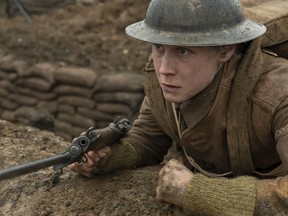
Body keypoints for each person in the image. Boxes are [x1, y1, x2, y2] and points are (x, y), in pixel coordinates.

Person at [69, 0, 288, 215]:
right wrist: (109, 157)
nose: (164, 68)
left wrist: (199, 193)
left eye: (183, 51)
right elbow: (149, 135)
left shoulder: (277, 94)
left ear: (226, 50)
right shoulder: (166, 79)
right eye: (159, 47)